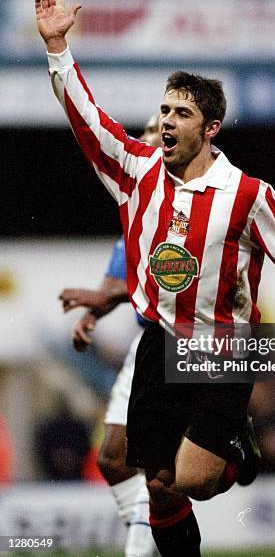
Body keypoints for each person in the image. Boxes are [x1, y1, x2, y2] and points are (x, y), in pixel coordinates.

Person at [35, 0, 275, 557]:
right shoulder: (137, 170)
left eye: (183, 113)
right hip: (158, 345)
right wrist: (57, 51)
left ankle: (233, 451)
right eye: (165, 109)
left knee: (194, 479)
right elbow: (86, 120)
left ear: (209, 128)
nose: (167, 121)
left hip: (222, 348)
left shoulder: (247, 195)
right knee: (158, 485)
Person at [58, 120, 160, 557]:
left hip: (190, 344)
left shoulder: (200, 203)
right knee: (111, 458)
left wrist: (103, 296)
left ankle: (144, 536)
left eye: (162, 127)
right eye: (152, 128)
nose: (154, 134)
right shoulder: (134, 213)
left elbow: (171, 281)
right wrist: (92, 312)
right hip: (148, 345)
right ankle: (144, 527)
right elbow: (113, 286)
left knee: (181, 471)